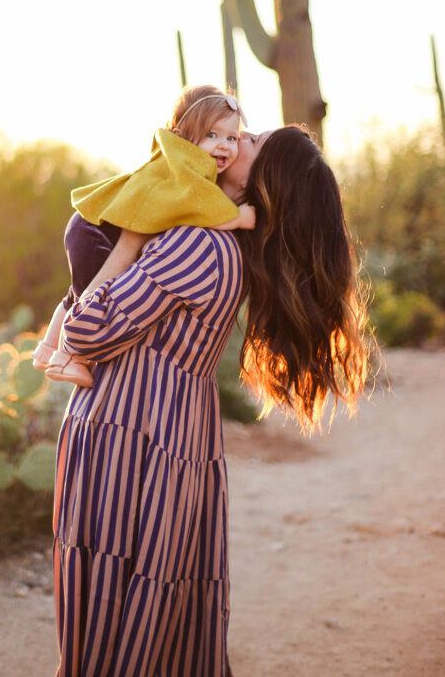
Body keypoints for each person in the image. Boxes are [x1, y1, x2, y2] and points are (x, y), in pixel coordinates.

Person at [51, 125, 370, 676]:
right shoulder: (225, 244)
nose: (237, 137)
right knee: (161, 606)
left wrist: (126, 244)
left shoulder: (197, 243)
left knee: (112, 604)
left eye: (251, 143)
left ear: (262, 183)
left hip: (131, 434)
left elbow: (85, 332)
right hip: (172, 433)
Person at [32, 85, 256, 387]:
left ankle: (47, 350)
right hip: (98, 229)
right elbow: (199, 206)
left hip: (91, 224)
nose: (224, 146)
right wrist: (241, 216)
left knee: (75, 294)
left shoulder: (180, 163)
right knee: (94, 297)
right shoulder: (186, 168)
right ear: (185, 136)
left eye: (232, 138)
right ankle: (70, 358)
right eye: (212, 136)